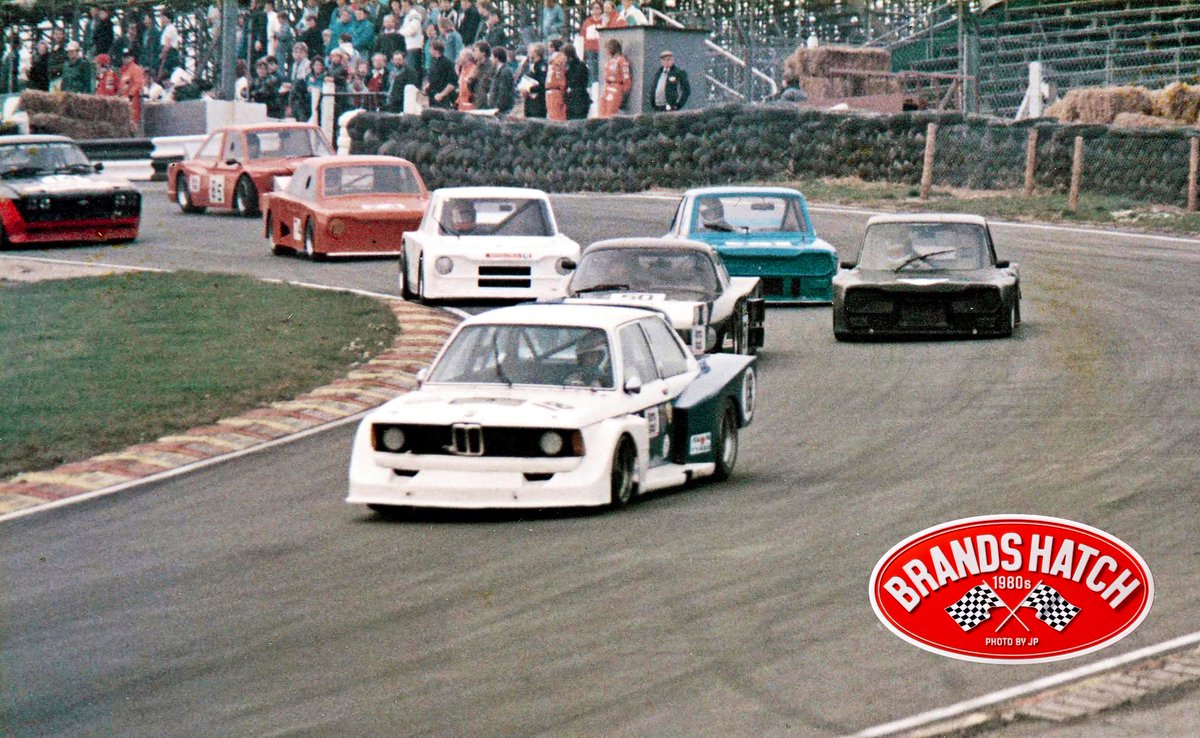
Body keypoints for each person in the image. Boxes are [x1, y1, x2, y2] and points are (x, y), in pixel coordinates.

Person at [598, 38, 631, 118]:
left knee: (610, 114)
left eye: (607, 49)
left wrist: (623, 93)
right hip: (606, 87)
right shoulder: (610, 60)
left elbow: (626, 79)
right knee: (601, 114)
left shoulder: (622, 61)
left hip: (615, 88)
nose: (606, 51)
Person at [424, 38, 456, 108]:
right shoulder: (432, 61)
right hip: (432, 95)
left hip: (443, 97)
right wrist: (427, 84)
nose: (429, 50)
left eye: (430, 48)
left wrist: (442, 95)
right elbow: (430, 76)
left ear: (436, 50)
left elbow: (452, 83)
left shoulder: (447, 63)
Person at [519, 43, 547, 119]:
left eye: (530, 51)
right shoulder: (531, 65)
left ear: (536, 52)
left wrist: (529, 89)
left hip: (538, 102)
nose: (528, 53)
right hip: (529, 102)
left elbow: (542, 83)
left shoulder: (542, 66)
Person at [563, 44, 590, 120]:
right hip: (572, 99)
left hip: (579, 99)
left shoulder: (579, 66)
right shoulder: (568, 66)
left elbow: (577, 80)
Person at [487, 47, 515, 116]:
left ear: (497, 58)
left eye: (492, 57)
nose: (491, 59)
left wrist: (498, 107)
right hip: (495, 108)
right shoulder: (497, 70)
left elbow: (504, 92)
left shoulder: (504, 72)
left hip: (501, 110)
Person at [580, 2, 604, 82]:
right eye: (593, 8)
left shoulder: (604, 21)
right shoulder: (587, 22)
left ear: (601, 10)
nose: (595, 10)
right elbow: (583, 36)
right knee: (591, 70)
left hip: (600, 49)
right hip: (589, 50)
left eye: (597, 8)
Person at [545, 39, 567, 121]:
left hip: (556, 89)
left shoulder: (561, 58)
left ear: (554, 48)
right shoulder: (551, 59)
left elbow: (560, 74)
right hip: (550, 89)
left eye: (549, 47)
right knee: (551, 115)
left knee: (557, 116)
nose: (548, 49)